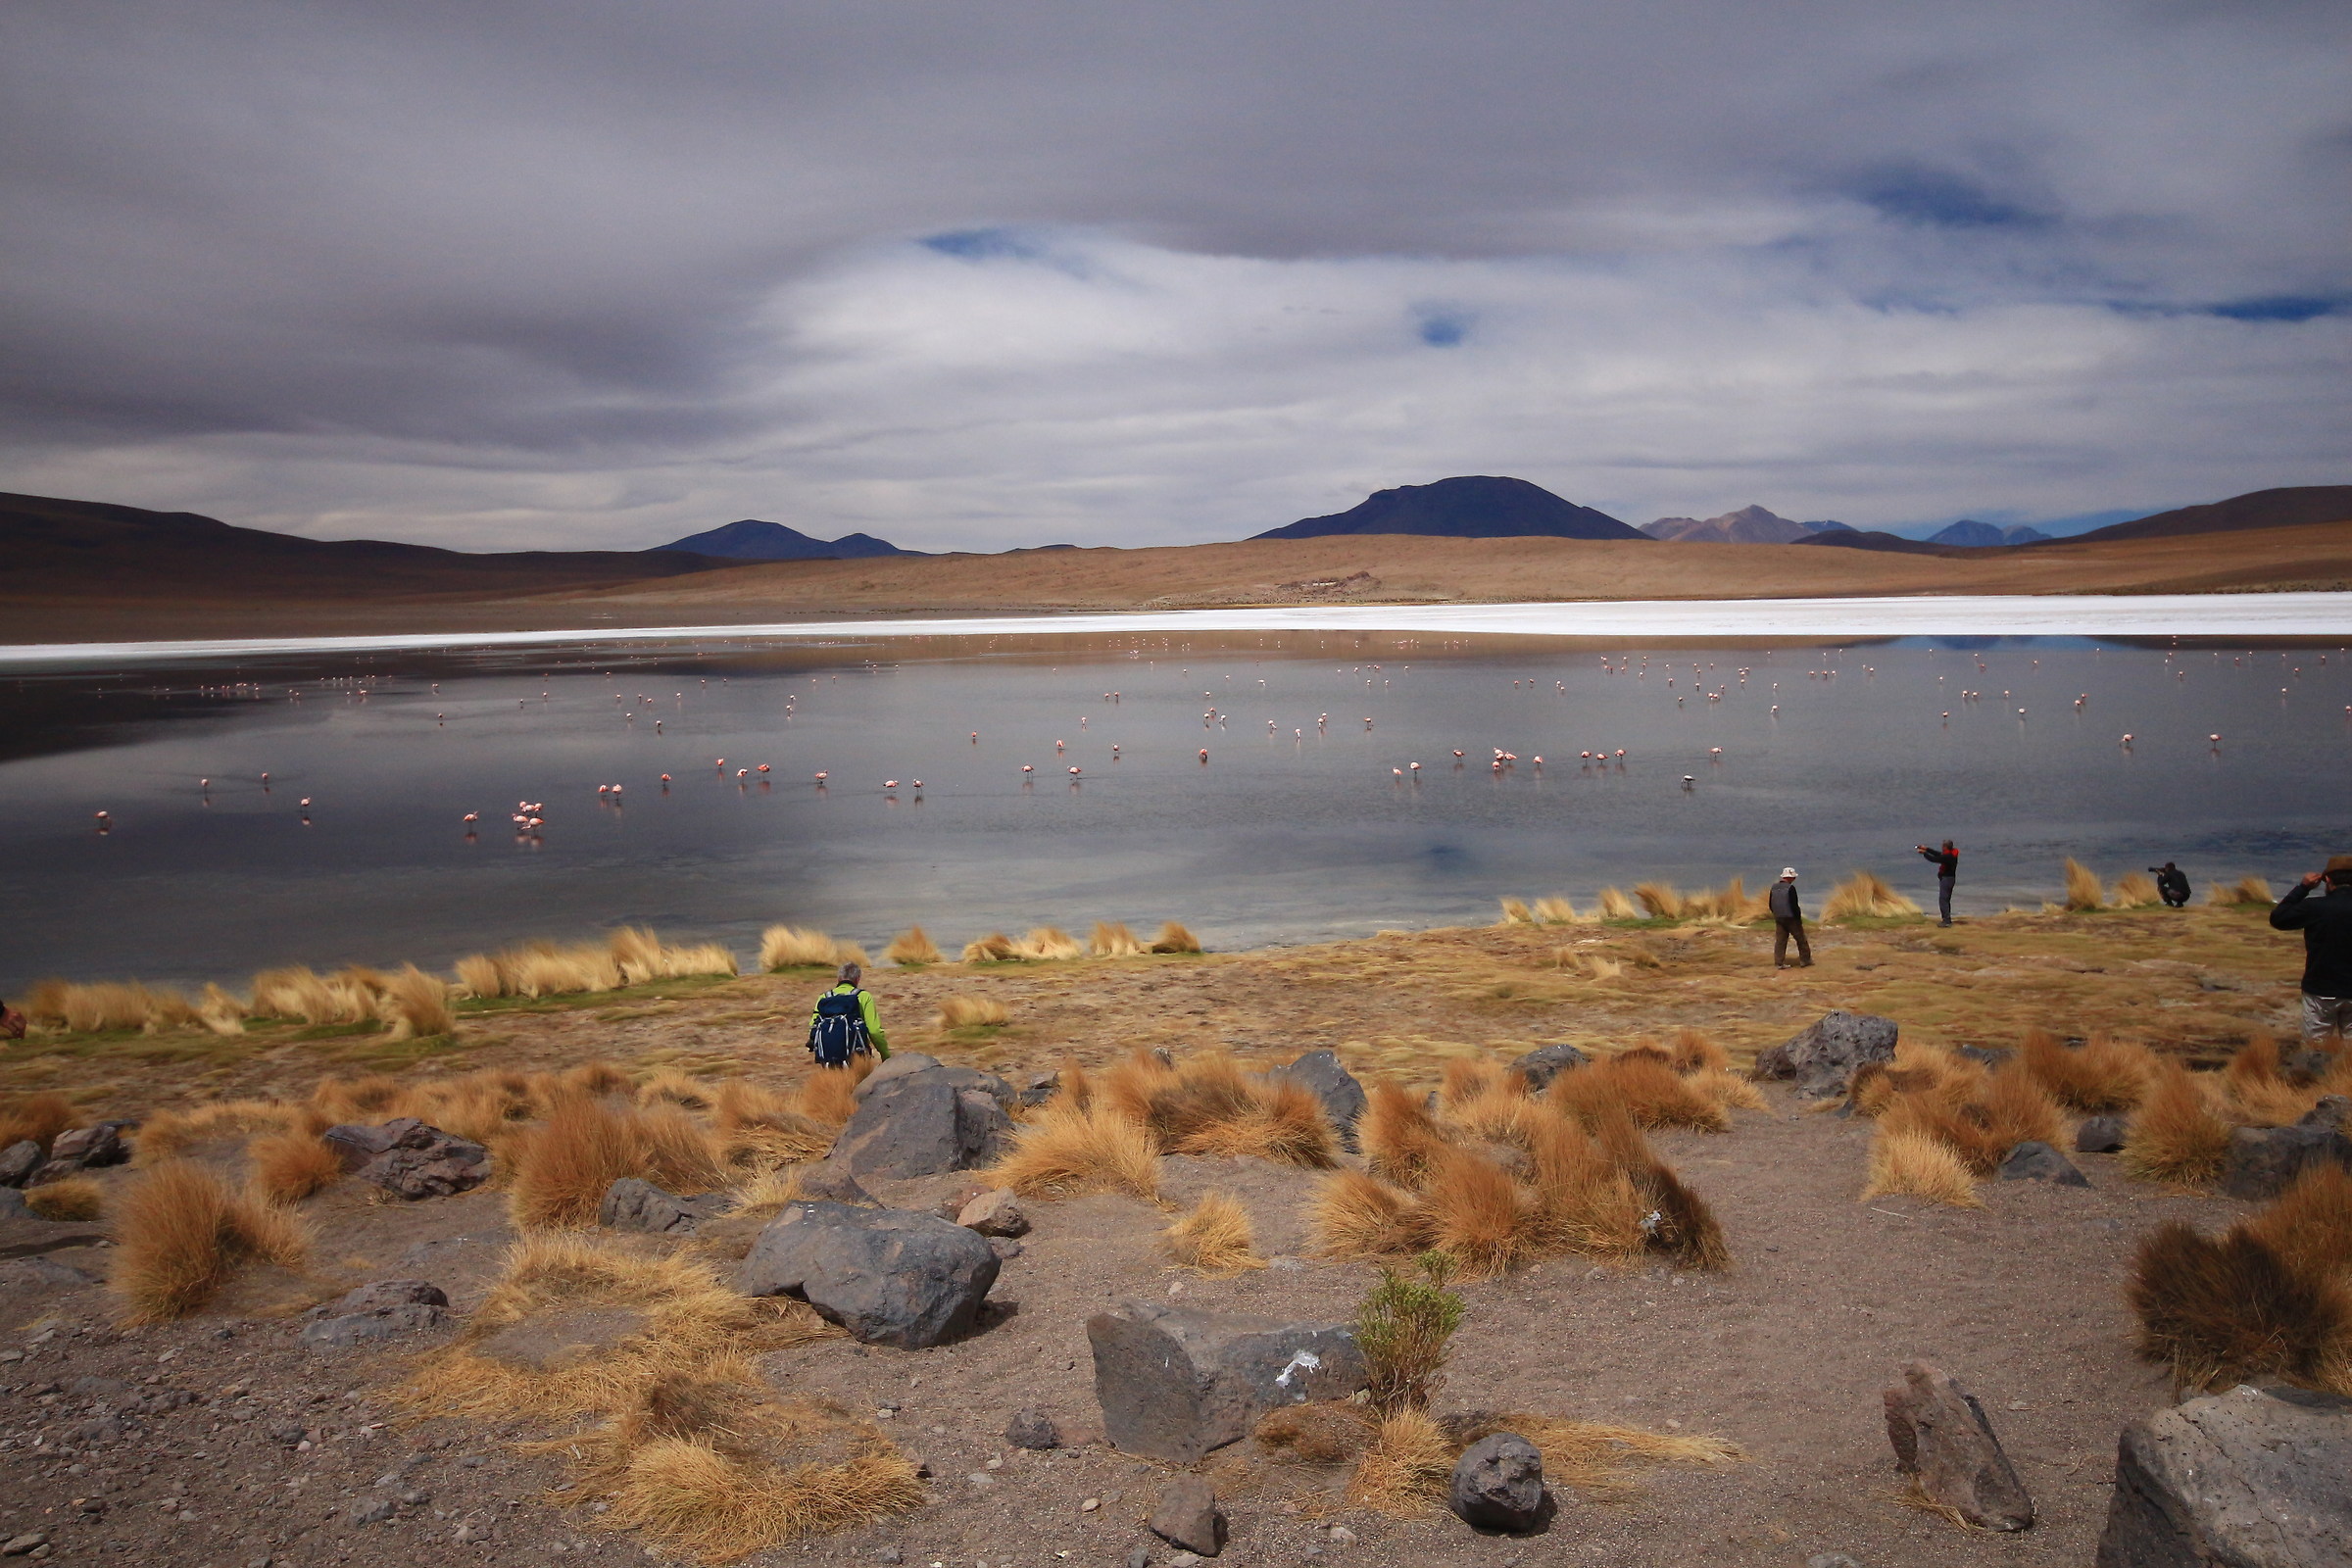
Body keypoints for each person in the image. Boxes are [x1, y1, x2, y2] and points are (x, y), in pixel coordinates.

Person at [2270, 858, 2352, 1043]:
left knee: (2316, 1052)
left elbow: (2278, 918)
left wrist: (2303, 888)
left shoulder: (2314, 907)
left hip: (2321, 989)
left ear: (2328, 880)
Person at [807, 962, 890, 1066]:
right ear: (858, 978)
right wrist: (885, 1055)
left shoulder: (824, 997)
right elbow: (874, 1031)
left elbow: (813, 1026)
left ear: (839, 978)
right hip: (856, 1058)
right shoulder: (864, 996)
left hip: (827, 1058)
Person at [1768, 867, 1812, 968]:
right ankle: (1805, 960)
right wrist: (1798, 918)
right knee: (1801, 939)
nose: (1794, 879)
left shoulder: (1774, 887)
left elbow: (1770, 904)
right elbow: (1794, 905)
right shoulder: (1790, 888)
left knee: (1780, 940)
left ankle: (1779, 962)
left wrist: (1776, 914)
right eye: (1793, 877)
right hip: (1791, 918)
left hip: (1779, 917)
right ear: (1789, 878)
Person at [1916, 840, 1958, 926]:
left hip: (1946, 879)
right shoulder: (1952, 854)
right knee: (1946, 900)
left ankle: (1946, 921)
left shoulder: (1948, 856)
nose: (1942, 847)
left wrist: (1924, 853)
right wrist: (1927, 849)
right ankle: (1947, 919)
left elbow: (1934, 859)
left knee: (1943, 900)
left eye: (1943, 846)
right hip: (1950, 879)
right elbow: (1939, 854)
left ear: (1945, 847)